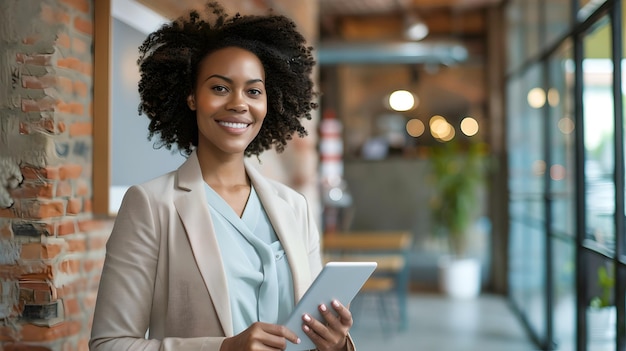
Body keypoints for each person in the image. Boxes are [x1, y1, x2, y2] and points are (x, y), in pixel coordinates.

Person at [89, 2, 358, 351]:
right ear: (191, 97)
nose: (239, 103)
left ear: (269, 102)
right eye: (219, 88)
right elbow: (109, 344)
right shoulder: (151, 205)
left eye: (253, 91)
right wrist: (222, 348)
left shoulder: (294, 206)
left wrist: (336, 343)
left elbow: (306, 328)